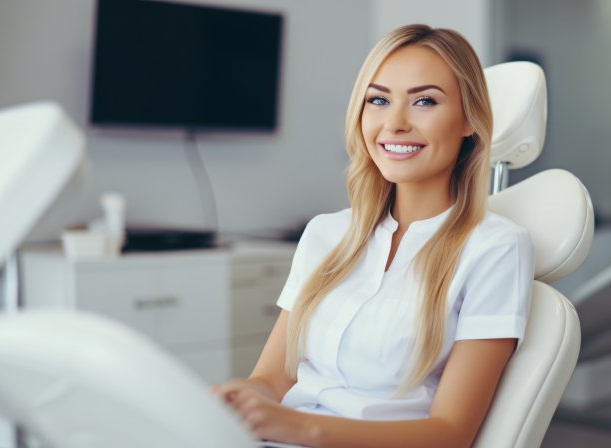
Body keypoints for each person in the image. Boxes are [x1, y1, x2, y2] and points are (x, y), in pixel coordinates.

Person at [212, 24, 534, 448]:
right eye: (378, 100)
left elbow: (450, 435)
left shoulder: (494, 248)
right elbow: (272, 379)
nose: (394, 123)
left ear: (468, 121)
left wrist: (299, 428)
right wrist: (239, 400)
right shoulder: (326, 235)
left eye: (424, 101)